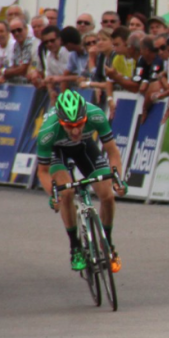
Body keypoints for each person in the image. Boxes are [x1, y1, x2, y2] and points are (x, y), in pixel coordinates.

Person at [35, 90, 125, 273]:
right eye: (69, 126)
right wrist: (53, 195)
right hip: (57, 151)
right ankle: (75, 246)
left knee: (107, 196)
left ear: (85, 117)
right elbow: (42, 172)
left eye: (80, 124)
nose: (75, 130)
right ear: (61, 122)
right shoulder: (47, 131)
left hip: (84, 148)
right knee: (66, 193)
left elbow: (113, 152)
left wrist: (117, 180)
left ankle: (106, 243)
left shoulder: (96, 115)